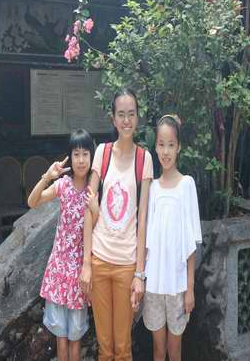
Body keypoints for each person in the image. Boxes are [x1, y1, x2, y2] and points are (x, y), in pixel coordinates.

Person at [80, 88, 153, 361]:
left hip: (126, 265)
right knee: (105, 346)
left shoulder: (144, 159)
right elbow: (89, 208)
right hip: (99, 260)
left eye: (131, 114)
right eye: (121, 114)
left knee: (123, 348)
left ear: (138, 117)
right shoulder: (102, 152)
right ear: (113, 118)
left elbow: (143, 219)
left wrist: (139, 274)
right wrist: (86, 264)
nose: (126, 120)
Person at [27, 129, 95, 361]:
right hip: (58, 271)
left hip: (80, 274)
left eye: (85, 154)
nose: (81, 160)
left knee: (75, 338)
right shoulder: (63, 185)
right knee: (61, 339)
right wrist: (48, 176)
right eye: (76, 154)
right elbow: (32, 202)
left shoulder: (94, 191)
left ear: (91, 156)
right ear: (70, 157)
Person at [143, 115, 202, 361]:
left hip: (178, 285)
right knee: (158, 350)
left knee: (175, 350)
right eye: (161, 144)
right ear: (155, 147)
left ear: (178, 147)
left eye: (170, 145)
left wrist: (190, 289)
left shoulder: (187, 185)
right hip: (154, 284)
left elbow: (191, 242)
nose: (165, 151)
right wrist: (140, 279)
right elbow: (145, 239)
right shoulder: (152, 188)